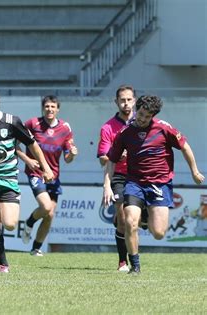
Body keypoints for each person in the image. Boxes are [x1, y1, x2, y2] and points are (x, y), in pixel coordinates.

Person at [103, 95, 204, 275]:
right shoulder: (125, 133)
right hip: (134, 183)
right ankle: (135, 266)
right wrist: (107, 184)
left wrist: (194, 171)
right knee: (129, 221)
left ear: (153, 116)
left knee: (158, 233)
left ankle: (146, 213)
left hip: (160, 184)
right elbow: (112, 159)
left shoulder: (164, 128)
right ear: (137, 109)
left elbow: (185, 146)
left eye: (147, 116)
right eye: (141, 114)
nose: (142, 119)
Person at [0, 85, 53, 273]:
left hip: (9, 179)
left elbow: (32, 145)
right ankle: (3, 264)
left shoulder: (12, 122)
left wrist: (46, 168)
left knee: (9, 224)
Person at [18, 95, 78, 256]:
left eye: (53, 106)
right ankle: (30, 222)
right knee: (45, 207)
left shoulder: (65, 128)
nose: (50, 109)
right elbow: (15, 145)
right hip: (36, 172)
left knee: (50, 214)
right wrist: (28, 160)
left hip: (54, 176)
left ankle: (36, 248)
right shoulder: (32, 124)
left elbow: (67, 158)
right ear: (42, 108)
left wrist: (72, 154)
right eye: (47, 106)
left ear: (58, 109)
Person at [97, 85, 136, 272]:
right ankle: (123, 261)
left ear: (134, 101)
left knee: (134, 220)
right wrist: (116, 155)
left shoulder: (144, 123)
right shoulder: (108, 127)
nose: (126, 103)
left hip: (140, 175)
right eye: (122, 100)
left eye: (129, 99)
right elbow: (103, 158)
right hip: (119, 176)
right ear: (116, 102)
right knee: (123, 220)